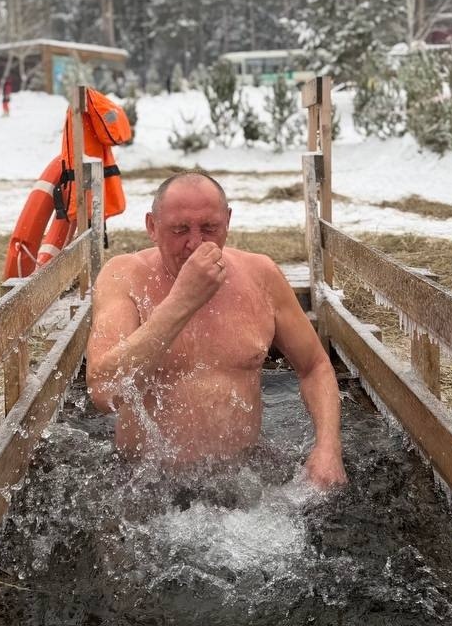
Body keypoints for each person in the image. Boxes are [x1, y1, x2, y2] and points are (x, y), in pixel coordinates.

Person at [86, 171, 347, 487]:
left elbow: (315, 366)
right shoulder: (124, 276)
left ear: (228, 222)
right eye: (179, 230)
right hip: (145, 481)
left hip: (242, 481)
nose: (195, 244)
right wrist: (182, 300)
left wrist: (328, 448)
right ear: (152, 227)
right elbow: (103, 392)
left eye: (210, 228)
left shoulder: (261, 274)